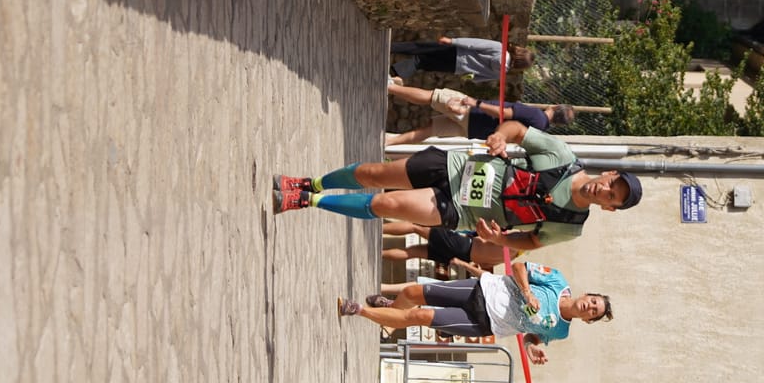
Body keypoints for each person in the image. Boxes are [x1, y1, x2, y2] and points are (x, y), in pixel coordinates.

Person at [274, 119, 641, 252]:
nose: (605, 191)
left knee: (389, 206)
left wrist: (499, 240)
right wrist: (499, 137)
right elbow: (516, 130)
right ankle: (313, 181)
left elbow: (530, 242)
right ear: (609, 175)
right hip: (457, 167)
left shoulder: (569, 227)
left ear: (609, 208)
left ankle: (308, 200)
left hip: (464, 211)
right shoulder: (562, 155)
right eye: (612, 184)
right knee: (373, 174)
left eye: (612, 198)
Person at [340, 263, 612, 364]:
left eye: (594, 312)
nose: (590, 307)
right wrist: (528, 293)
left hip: (484, 322)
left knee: (420, 317)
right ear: (587, 295)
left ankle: (360, 311)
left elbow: (532, 336)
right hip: (482, 290)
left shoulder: (560, 331)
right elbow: (518, 267)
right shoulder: (557, 282)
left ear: (588, 320)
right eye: (593, 301)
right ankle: (388, 311)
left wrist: (531, 348)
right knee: (412, 294)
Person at [385, 82, 577, 147]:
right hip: (473, 130)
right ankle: (390, 142)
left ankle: (390, 87)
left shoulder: (535, 114)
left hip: (473, 113)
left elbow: (505, 112)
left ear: (556, 106)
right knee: (430, 130)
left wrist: (475, 103)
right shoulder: (541, 131)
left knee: (432, 96)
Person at [390, 36, 533, 83]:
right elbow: (476, 79)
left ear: (519, 52)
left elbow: (473, 43)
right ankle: (394, 73)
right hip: (457, 68)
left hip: (456, 52)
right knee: (422, 62)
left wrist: (452, 41)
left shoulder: (499, 48)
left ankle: (392, 47)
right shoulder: (500, 74)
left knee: (421, 48)